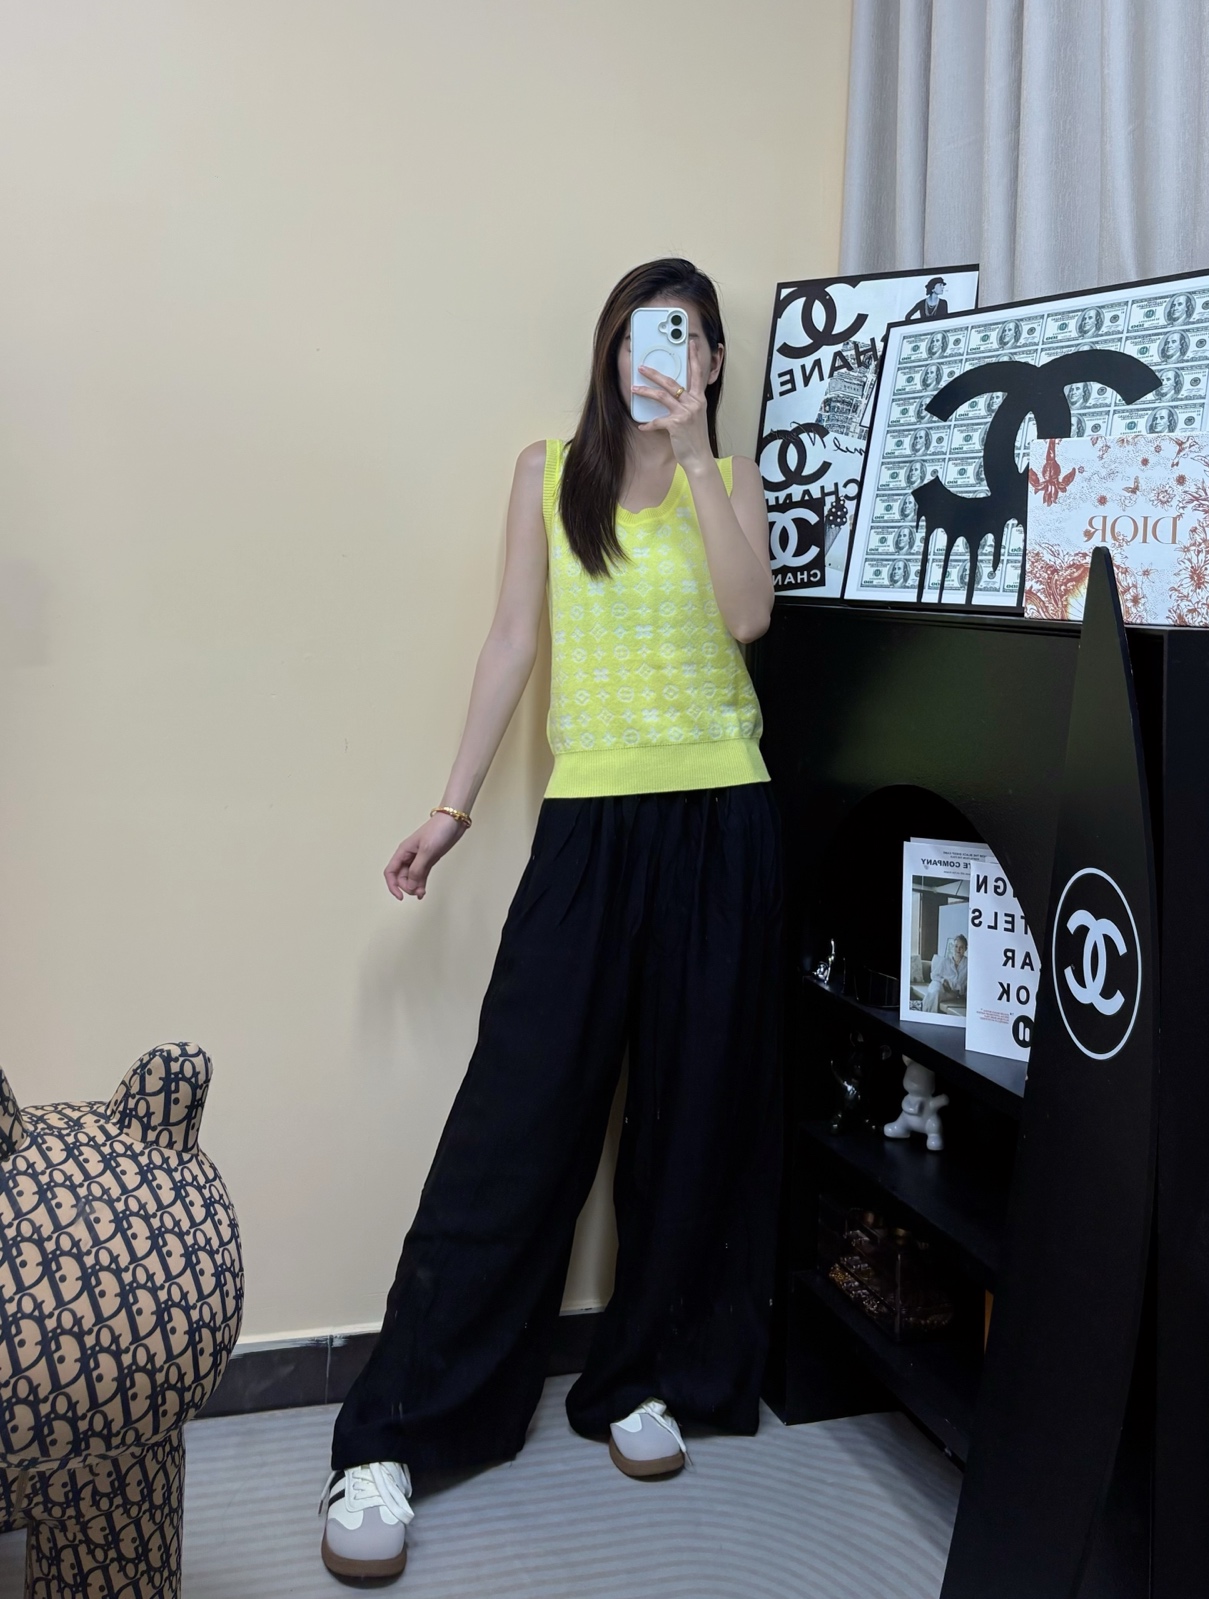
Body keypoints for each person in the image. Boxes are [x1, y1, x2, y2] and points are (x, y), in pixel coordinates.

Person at [318, 260, 784, 1581]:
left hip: (723, 819)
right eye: (643, 335)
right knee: (516, 1120)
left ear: (709, 362)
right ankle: (395, 1433)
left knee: (692, 1117)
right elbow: (511, 643)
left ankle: (643, 1374)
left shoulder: (731, 481)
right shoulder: (545, 474)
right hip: (590, 825)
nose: (661, 357)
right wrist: (451, 808)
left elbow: (749, 617)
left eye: (685, 340)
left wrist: (696, 455)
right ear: (611, 350)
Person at [922, 933, 968, 1013]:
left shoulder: (968, 964)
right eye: (956, 946)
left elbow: (968, 984)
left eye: (961, 947)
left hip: (953, 993)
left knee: (935, 995)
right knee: (935, 992)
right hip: (940, 984)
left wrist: (960, 991)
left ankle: (925, 1013)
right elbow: (934, 975)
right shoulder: (946, 961)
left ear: (965, 949)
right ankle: (927, 1014)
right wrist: (943, 981)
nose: (958, 949)